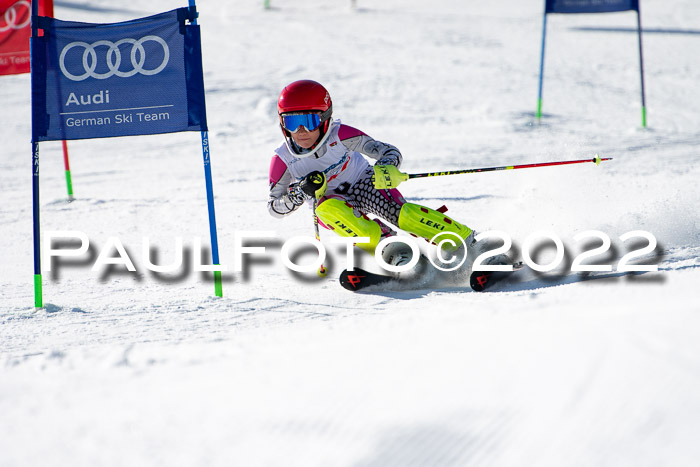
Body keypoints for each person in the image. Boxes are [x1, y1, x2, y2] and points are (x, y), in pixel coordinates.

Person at [267, 79, 485, 274]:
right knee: (326, 210)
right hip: (332, 203)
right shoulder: (284, 159)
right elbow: (274, 208)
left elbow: (388, 151)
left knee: (404, 214)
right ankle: (397, 253)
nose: (302, 131)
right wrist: (299, 193)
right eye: (293, 123)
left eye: (309, 121)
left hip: (363, 182)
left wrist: (386, 167)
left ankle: (468, 243)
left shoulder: (340, 135)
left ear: (324, 119)